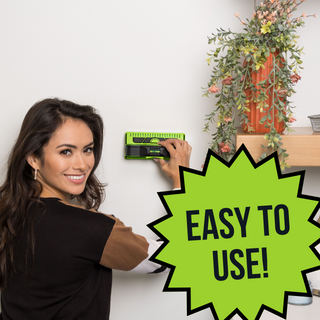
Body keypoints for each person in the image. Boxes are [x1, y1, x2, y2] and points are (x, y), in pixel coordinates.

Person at [0, 98, 191, 320]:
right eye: (66, 152)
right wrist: (182, 180)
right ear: (33, 158)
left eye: (87, 150)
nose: (82, 164)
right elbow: (169, 257)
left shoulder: (8, 214)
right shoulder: (90, 228)